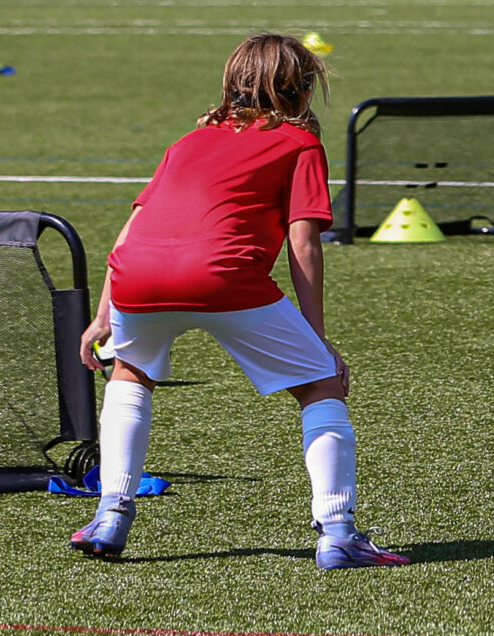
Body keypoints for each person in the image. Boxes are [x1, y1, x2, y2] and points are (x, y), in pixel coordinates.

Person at [71, 33, 406, 569]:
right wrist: (317, 341)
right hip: (221, 276)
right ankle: (338, 532)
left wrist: (103, 314)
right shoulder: (299, 144)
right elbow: (303, 243)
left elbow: (130, 229)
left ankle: (110, 515)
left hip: (136, 276)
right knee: (320, 385)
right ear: (302, 90)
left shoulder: (187, 141)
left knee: (130, 375)